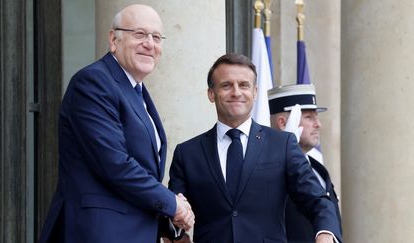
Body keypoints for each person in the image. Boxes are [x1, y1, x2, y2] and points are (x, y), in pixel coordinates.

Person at [38, 4, 194, 243]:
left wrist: (169, 218)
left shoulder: (136, 91)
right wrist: (172, 203)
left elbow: (142, 174)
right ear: (114, 39)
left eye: (156, 37)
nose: (150, 44)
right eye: (139, 34)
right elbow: (114, 163)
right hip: (100, 233)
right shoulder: (94, 82)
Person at [168, 53, 342, 243]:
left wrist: (325, 232)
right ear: (211, 94)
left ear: (255, 92)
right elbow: (173, 211)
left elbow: (317, 200)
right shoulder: (187, 153)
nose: (236, 92)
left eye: (244, 85)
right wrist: (176, 233)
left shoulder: (282, 145)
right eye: (226, 85)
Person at [268, 84, 342, 243]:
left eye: (317, 116)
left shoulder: (318, 169)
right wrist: (285, 148)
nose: (318, 124)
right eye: (309, 117)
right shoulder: (270, 170)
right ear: (283, 123)